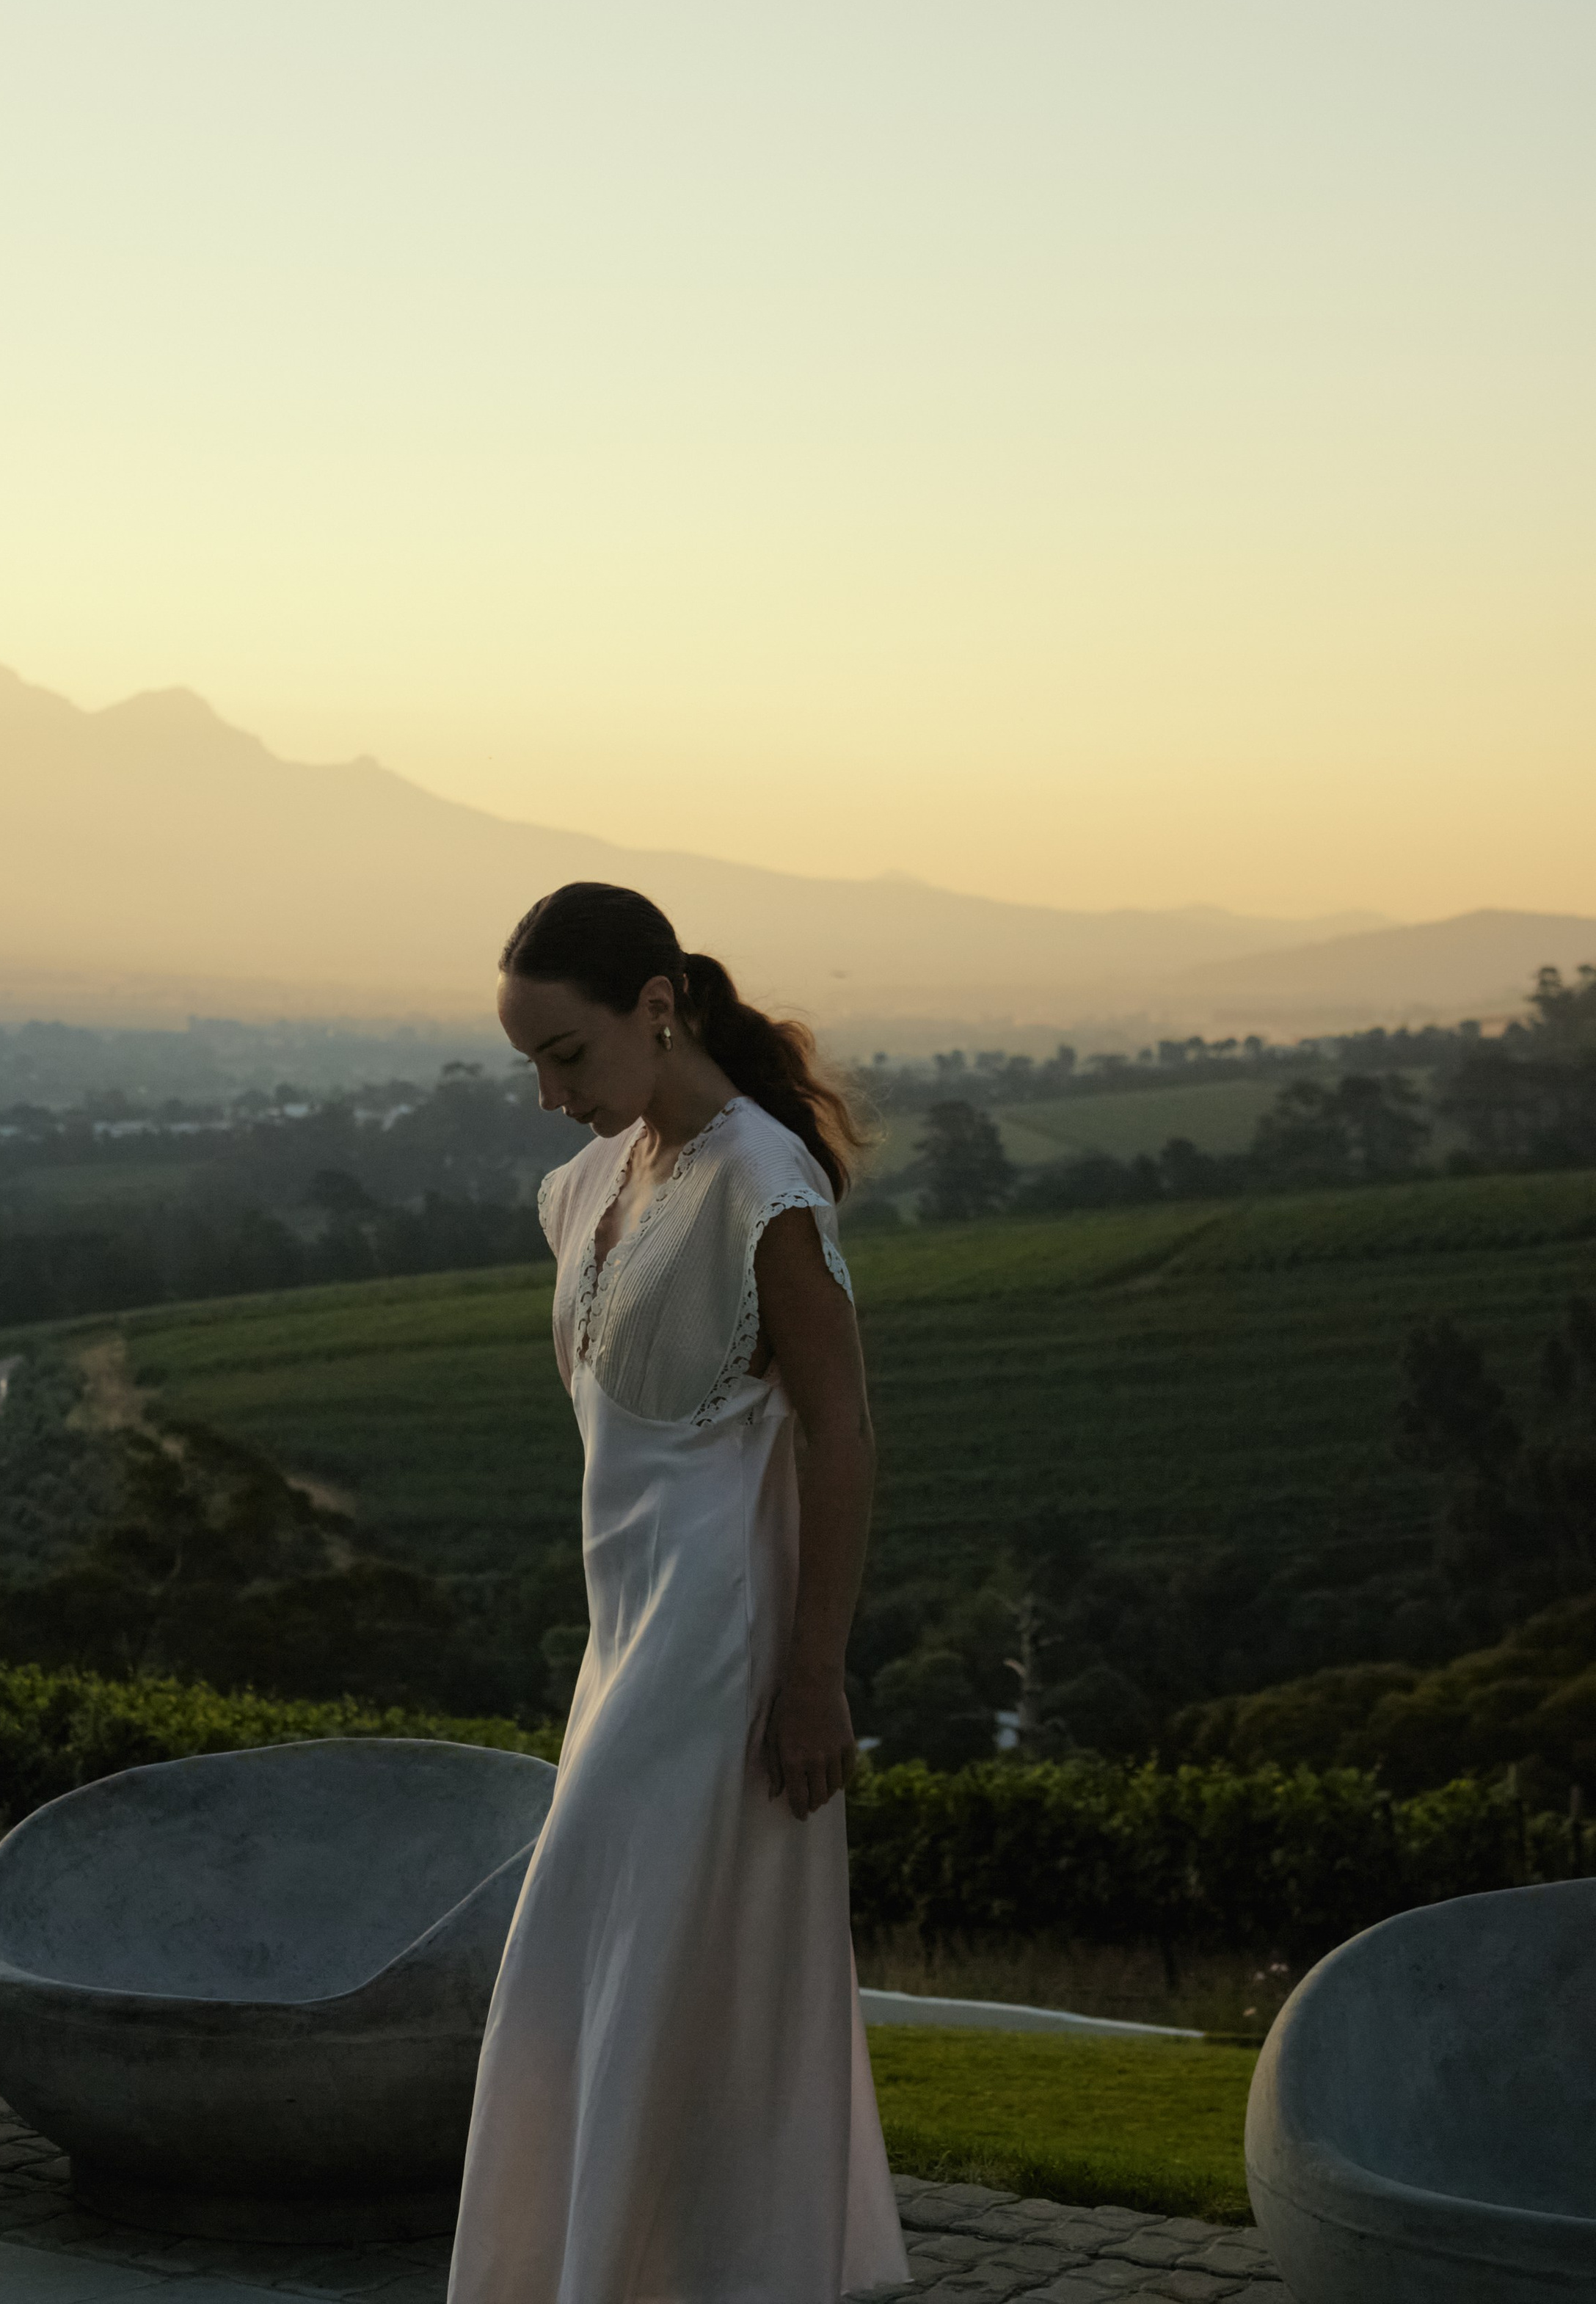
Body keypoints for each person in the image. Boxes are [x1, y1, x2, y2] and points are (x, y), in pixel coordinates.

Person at [445, 882, 908, 2304]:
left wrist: (814, 1675)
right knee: (644, 1972)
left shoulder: (764, 1184)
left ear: (657, 1007)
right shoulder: (598, 1179)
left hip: (720, 1646)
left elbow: (841, 1431)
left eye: (564, 1055)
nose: (547, 1096)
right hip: (623, 1643)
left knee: (592, 1965)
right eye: (528, 1063)